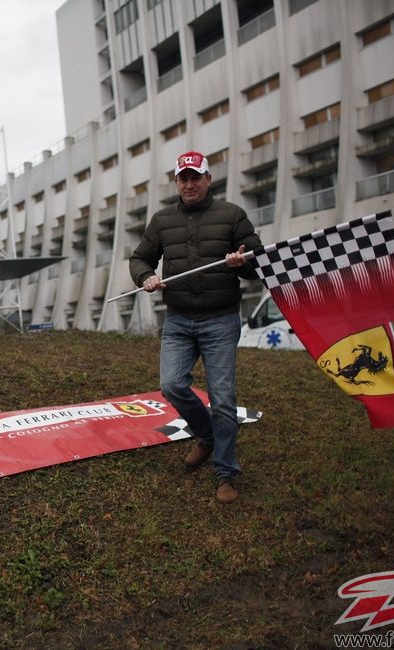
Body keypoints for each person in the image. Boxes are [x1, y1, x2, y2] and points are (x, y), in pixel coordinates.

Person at [129, 151, 261, 504]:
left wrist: (240, 262)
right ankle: (206, 436)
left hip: (220, 319)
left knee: (223, 399)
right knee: (171, 385)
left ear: (207, 179)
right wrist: (147, 276)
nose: (189, 184)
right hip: (178, 319)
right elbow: (140, 257)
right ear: (177, 182)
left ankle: (226, 472)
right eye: (182, 178)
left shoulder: (232, 215)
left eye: (195, 177)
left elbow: (259, 263)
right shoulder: (162, 220)